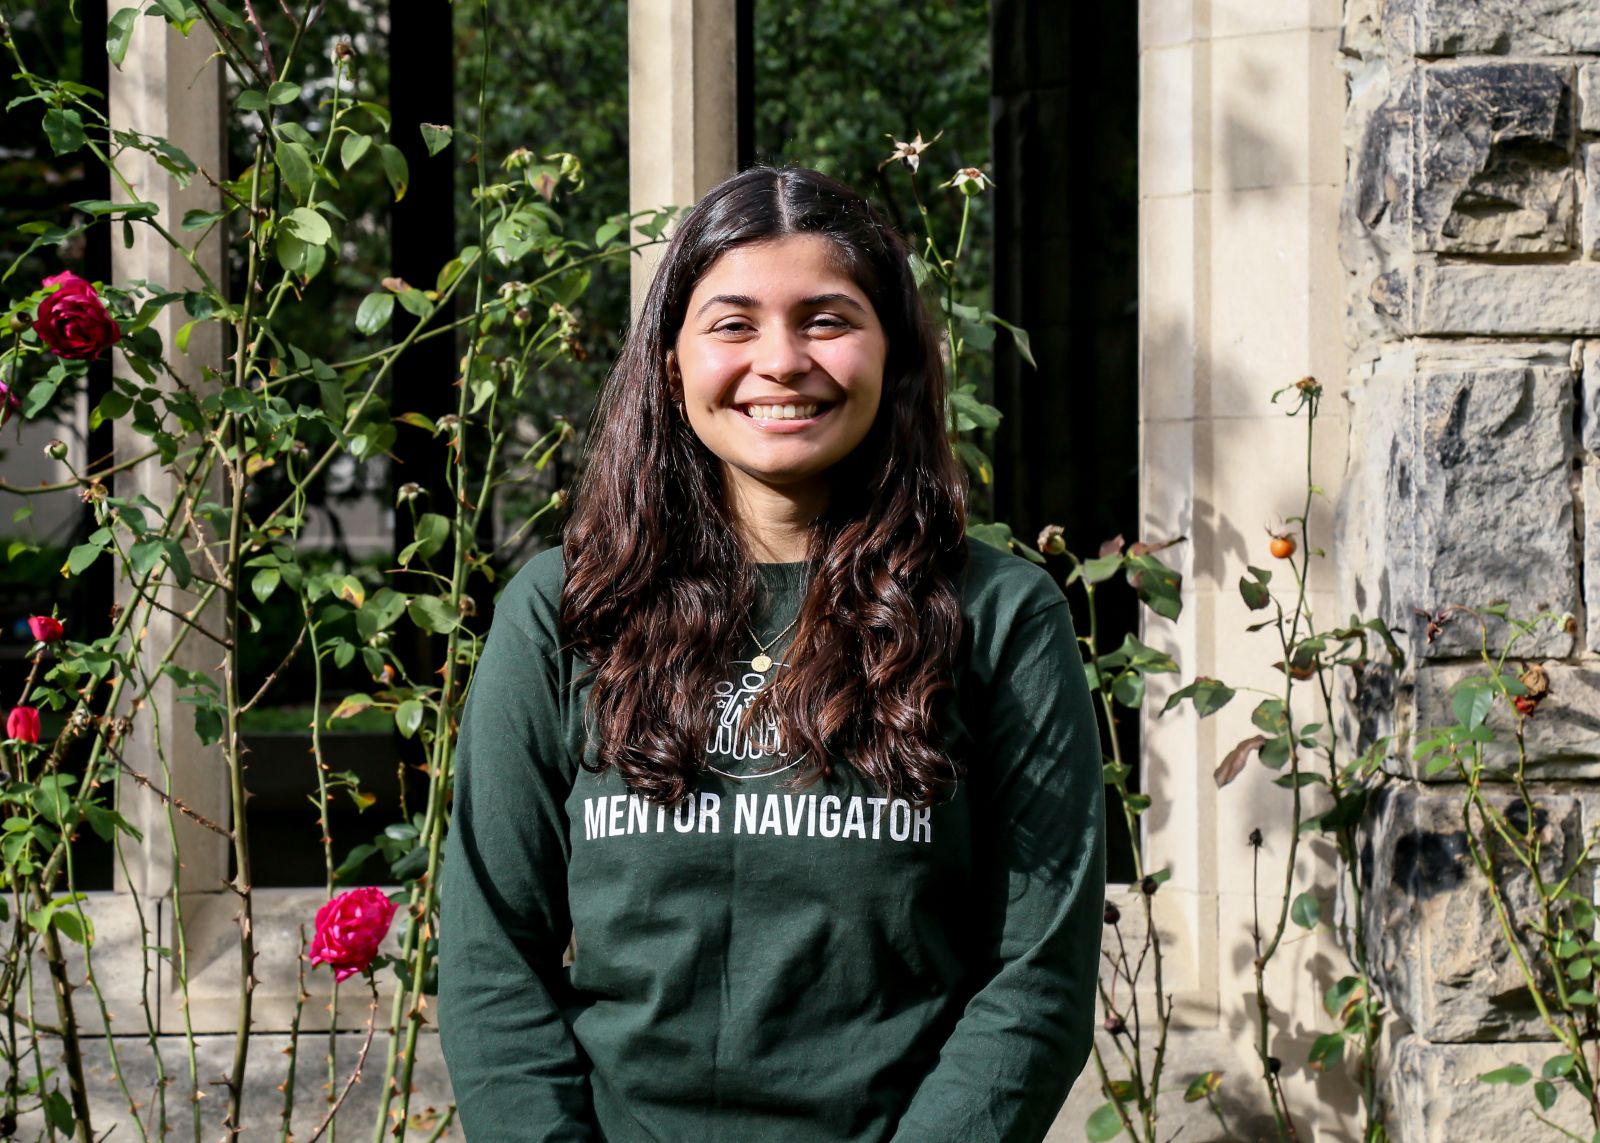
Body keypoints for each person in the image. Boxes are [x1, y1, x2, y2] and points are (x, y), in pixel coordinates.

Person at [438, 166, 1106, 1142]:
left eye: (827, 320)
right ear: (671, 363)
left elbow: (1037, 977)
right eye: (733, 324)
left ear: (895, 355)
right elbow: (493, 958)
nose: (782, 360)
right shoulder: (565, 611)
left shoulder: (1000, 616)